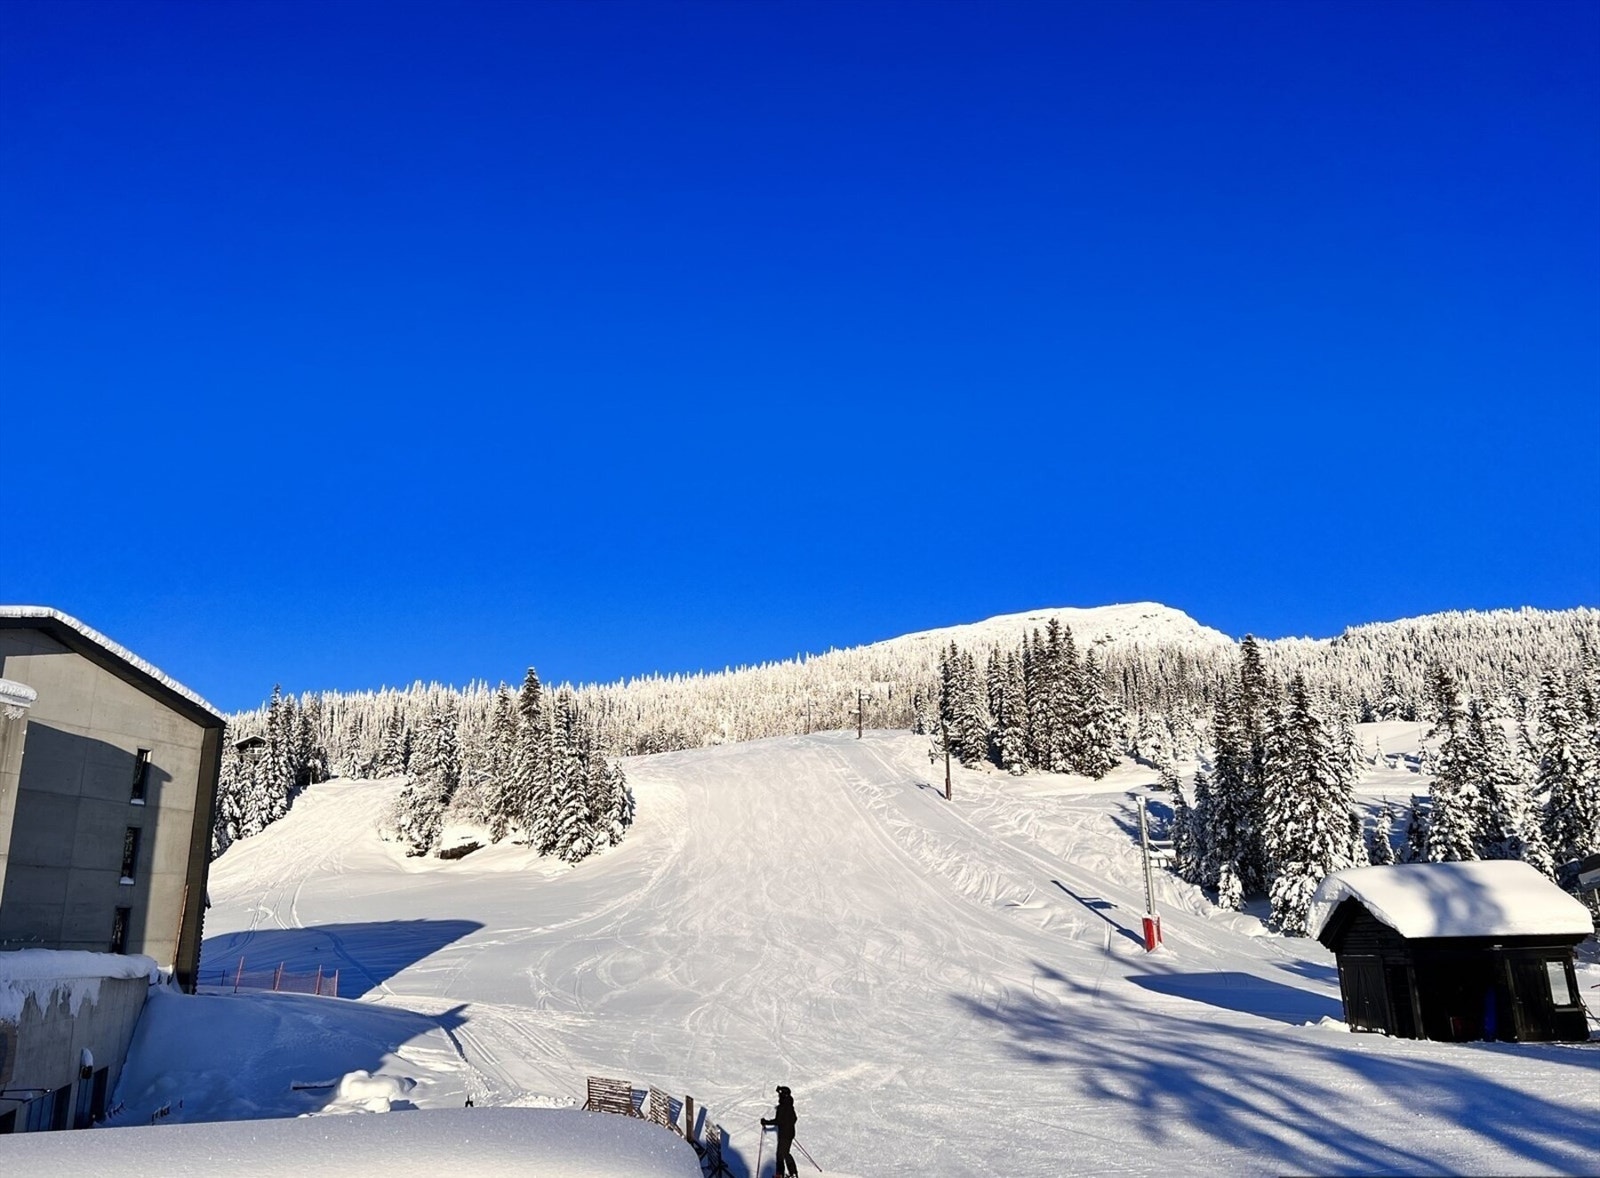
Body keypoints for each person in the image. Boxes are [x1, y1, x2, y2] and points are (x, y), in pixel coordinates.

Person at [760, 1085, 798, 1177]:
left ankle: (782, 1174)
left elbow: (778, 1121)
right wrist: (788, 1126)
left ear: (783, 1096)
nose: (778, 1097)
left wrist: (766, 1122)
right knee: (784, 1153)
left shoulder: (782, 1106)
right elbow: (794, 1118)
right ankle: (791, 1173)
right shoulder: (790, 1105)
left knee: (781, 1154)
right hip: (790, 1133)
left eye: (779, 1095)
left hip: (784, 1134)